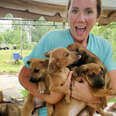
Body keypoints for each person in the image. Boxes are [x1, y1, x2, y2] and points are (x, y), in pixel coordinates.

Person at [18, 0, 116, 115]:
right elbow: (24, 77)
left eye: (89, 11)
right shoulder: (52, 38)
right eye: (75, 11)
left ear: (97, 17)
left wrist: (89, 96)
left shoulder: (104, 46)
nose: (81, 19)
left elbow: (113, 89)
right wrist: (51, 98)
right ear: (67, 14)